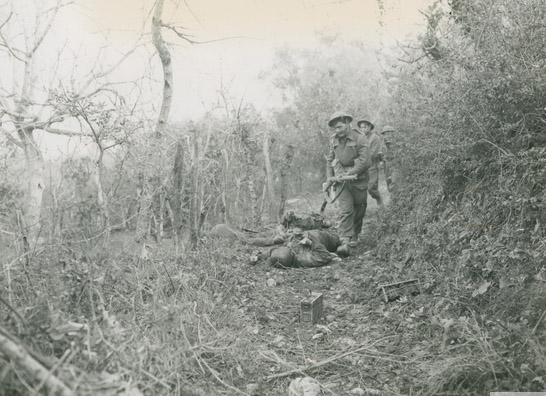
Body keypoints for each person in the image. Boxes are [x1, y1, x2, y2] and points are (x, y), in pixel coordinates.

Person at [326, 111, 372, 252]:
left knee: (359, 207)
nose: (337, 130)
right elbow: (330, 159)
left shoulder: (360, 138)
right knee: (346, 210)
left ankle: (355, 234)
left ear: (347, 123)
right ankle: (345, 240)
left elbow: (366, 162)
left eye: (340, 127)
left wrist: (349, 173)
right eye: (335, 128)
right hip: (341, 181)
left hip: (359, 179)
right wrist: (329, 178)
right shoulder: (334, 140)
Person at [356, 118, 384, 208]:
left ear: (369, 127)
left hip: (371, 166)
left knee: (371, 188)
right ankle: (361, 207)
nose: (363, 129)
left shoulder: (375, 138)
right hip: (361, 167)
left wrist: (361, 159)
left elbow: (373, 153)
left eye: (365, 127)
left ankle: (378, 198)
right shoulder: (359, 138)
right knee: (360, 188)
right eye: (361, 128)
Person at [380, 125, 396, 192]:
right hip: (387, 168)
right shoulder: (383, 145)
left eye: (388, 134)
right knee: (389, 182)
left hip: (395, 167)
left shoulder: (396, 143)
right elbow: (381, 156)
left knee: (395, 182)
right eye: (385, 134)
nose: (386, 136)